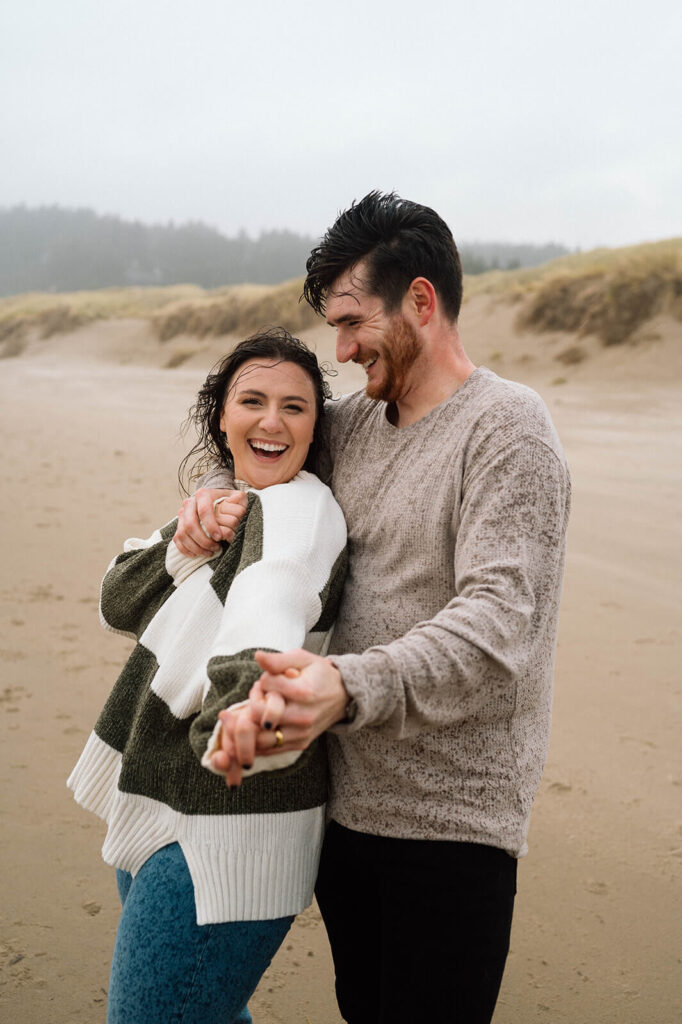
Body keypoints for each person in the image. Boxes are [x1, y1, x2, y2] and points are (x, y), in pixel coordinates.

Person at [175, 192, 572, 1024]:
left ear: (421, 303)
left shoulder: (507, 429)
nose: (342, 348)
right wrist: (210, 500)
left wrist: (345, 689)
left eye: (354, 322)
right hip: (344, 810)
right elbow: (262, 459)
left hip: (453, 824)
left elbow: (498, 625)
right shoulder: (353, 424)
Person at [68, 328, 347, 1024]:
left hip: (227, 813)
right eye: (252, 400)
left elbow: (270, 604)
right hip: (162, 792)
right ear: (221, 415)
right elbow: (116, 601)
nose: (272, 421)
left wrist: (242, 707)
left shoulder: (300, 511)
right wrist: (184, 542)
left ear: (317, 427)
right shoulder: (227, 505)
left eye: (295, 407)